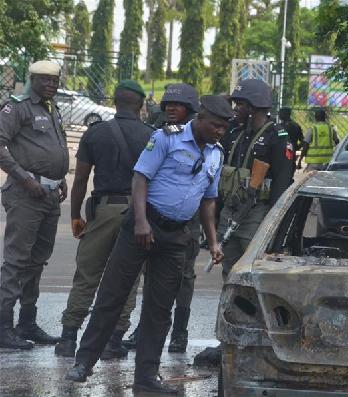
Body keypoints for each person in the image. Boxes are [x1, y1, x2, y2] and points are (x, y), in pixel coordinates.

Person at [65, 96, 233, 394]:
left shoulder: (216, 154)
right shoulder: (167, 138)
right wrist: (141, 221)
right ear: (202, 117)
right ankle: (84, 362)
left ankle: (146, 377)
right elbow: (141, 178)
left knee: (159, 308)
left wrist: (214, 239)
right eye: (216, 125)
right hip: (142, 225)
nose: (221, 131)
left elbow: (208, 200)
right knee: (112, 295)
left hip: (175, 236)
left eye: (224, 127)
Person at [194, 79, 294, 365]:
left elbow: (282, 189)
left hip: (257, 216)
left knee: (255, 281)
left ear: (252, 107)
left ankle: (260, 341)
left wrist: (276, 231)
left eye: (239, 104)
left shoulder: (278, 136)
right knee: (230, 278)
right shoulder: (236, 133)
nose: (235, 108)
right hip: (231, 215)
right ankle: (229, 339)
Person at [54, 80, 153, 359]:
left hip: (103, 210)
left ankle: (68, 338)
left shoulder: (96, 133)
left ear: (115, 101)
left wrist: (75, 216)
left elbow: (81, 180)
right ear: (141, 105)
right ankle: (114, 341)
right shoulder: (152, 135)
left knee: (87, 276)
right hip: (137, 212)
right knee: (128, 279)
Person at [122, 83, 202, 353]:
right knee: (151, 272)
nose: (170, 109)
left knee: (185, 276)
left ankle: (180, 331)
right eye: (167, 104)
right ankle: (146, 329)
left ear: (190, 110)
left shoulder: (204, 135)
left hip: (188, 218)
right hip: (158, 214)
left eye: (177, 105)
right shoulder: (161, 131)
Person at [0, 60, 69, 349]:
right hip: (27, 194)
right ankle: (3, 327)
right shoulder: (17, 107)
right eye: (45, 81)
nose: (51, 85)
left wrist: (60, 177)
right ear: (32, 79)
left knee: (37, 261)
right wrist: (25, 179)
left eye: (55, 81)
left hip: (51, 194)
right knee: (17, 261)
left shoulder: (52, 109)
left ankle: (27, 322)